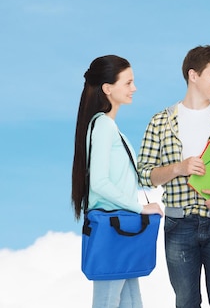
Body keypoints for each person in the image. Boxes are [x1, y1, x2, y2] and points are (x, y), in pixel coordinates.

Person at [137, 45, 210, 308]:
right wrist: (178, 168)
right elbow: (144, 175)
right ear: (193, 75)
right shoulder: (161, 121)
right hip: (179, 224)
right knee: (185, 302)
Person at [71, 55, 164, 308]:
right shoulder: (103, 126)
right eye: (128, 82)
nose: (134, 88)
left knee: (132, 302)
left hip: (120, 229)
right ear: (108, 88)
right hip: (114, 227)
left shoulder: (109, 127)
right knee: (108, 301)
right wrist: (140, 208)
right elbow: (99, 183)